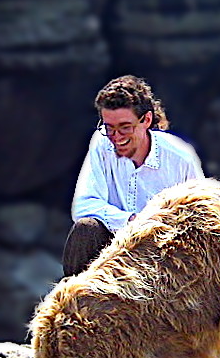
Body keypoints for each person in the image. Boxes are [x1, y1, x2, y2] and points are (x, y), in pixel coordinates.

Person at [63, 75, 204, 276]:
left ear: (146, 120)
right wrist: (133, 221)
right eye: (109, 128)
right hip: (112, 248)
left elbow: (199, 220)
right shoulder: (102, 143)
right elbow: (83, 206)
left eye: (124, 128)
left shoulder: (180, 158)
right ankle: (74, 303)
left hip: (163, 254)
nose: (116, 137)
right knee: (86, 230)